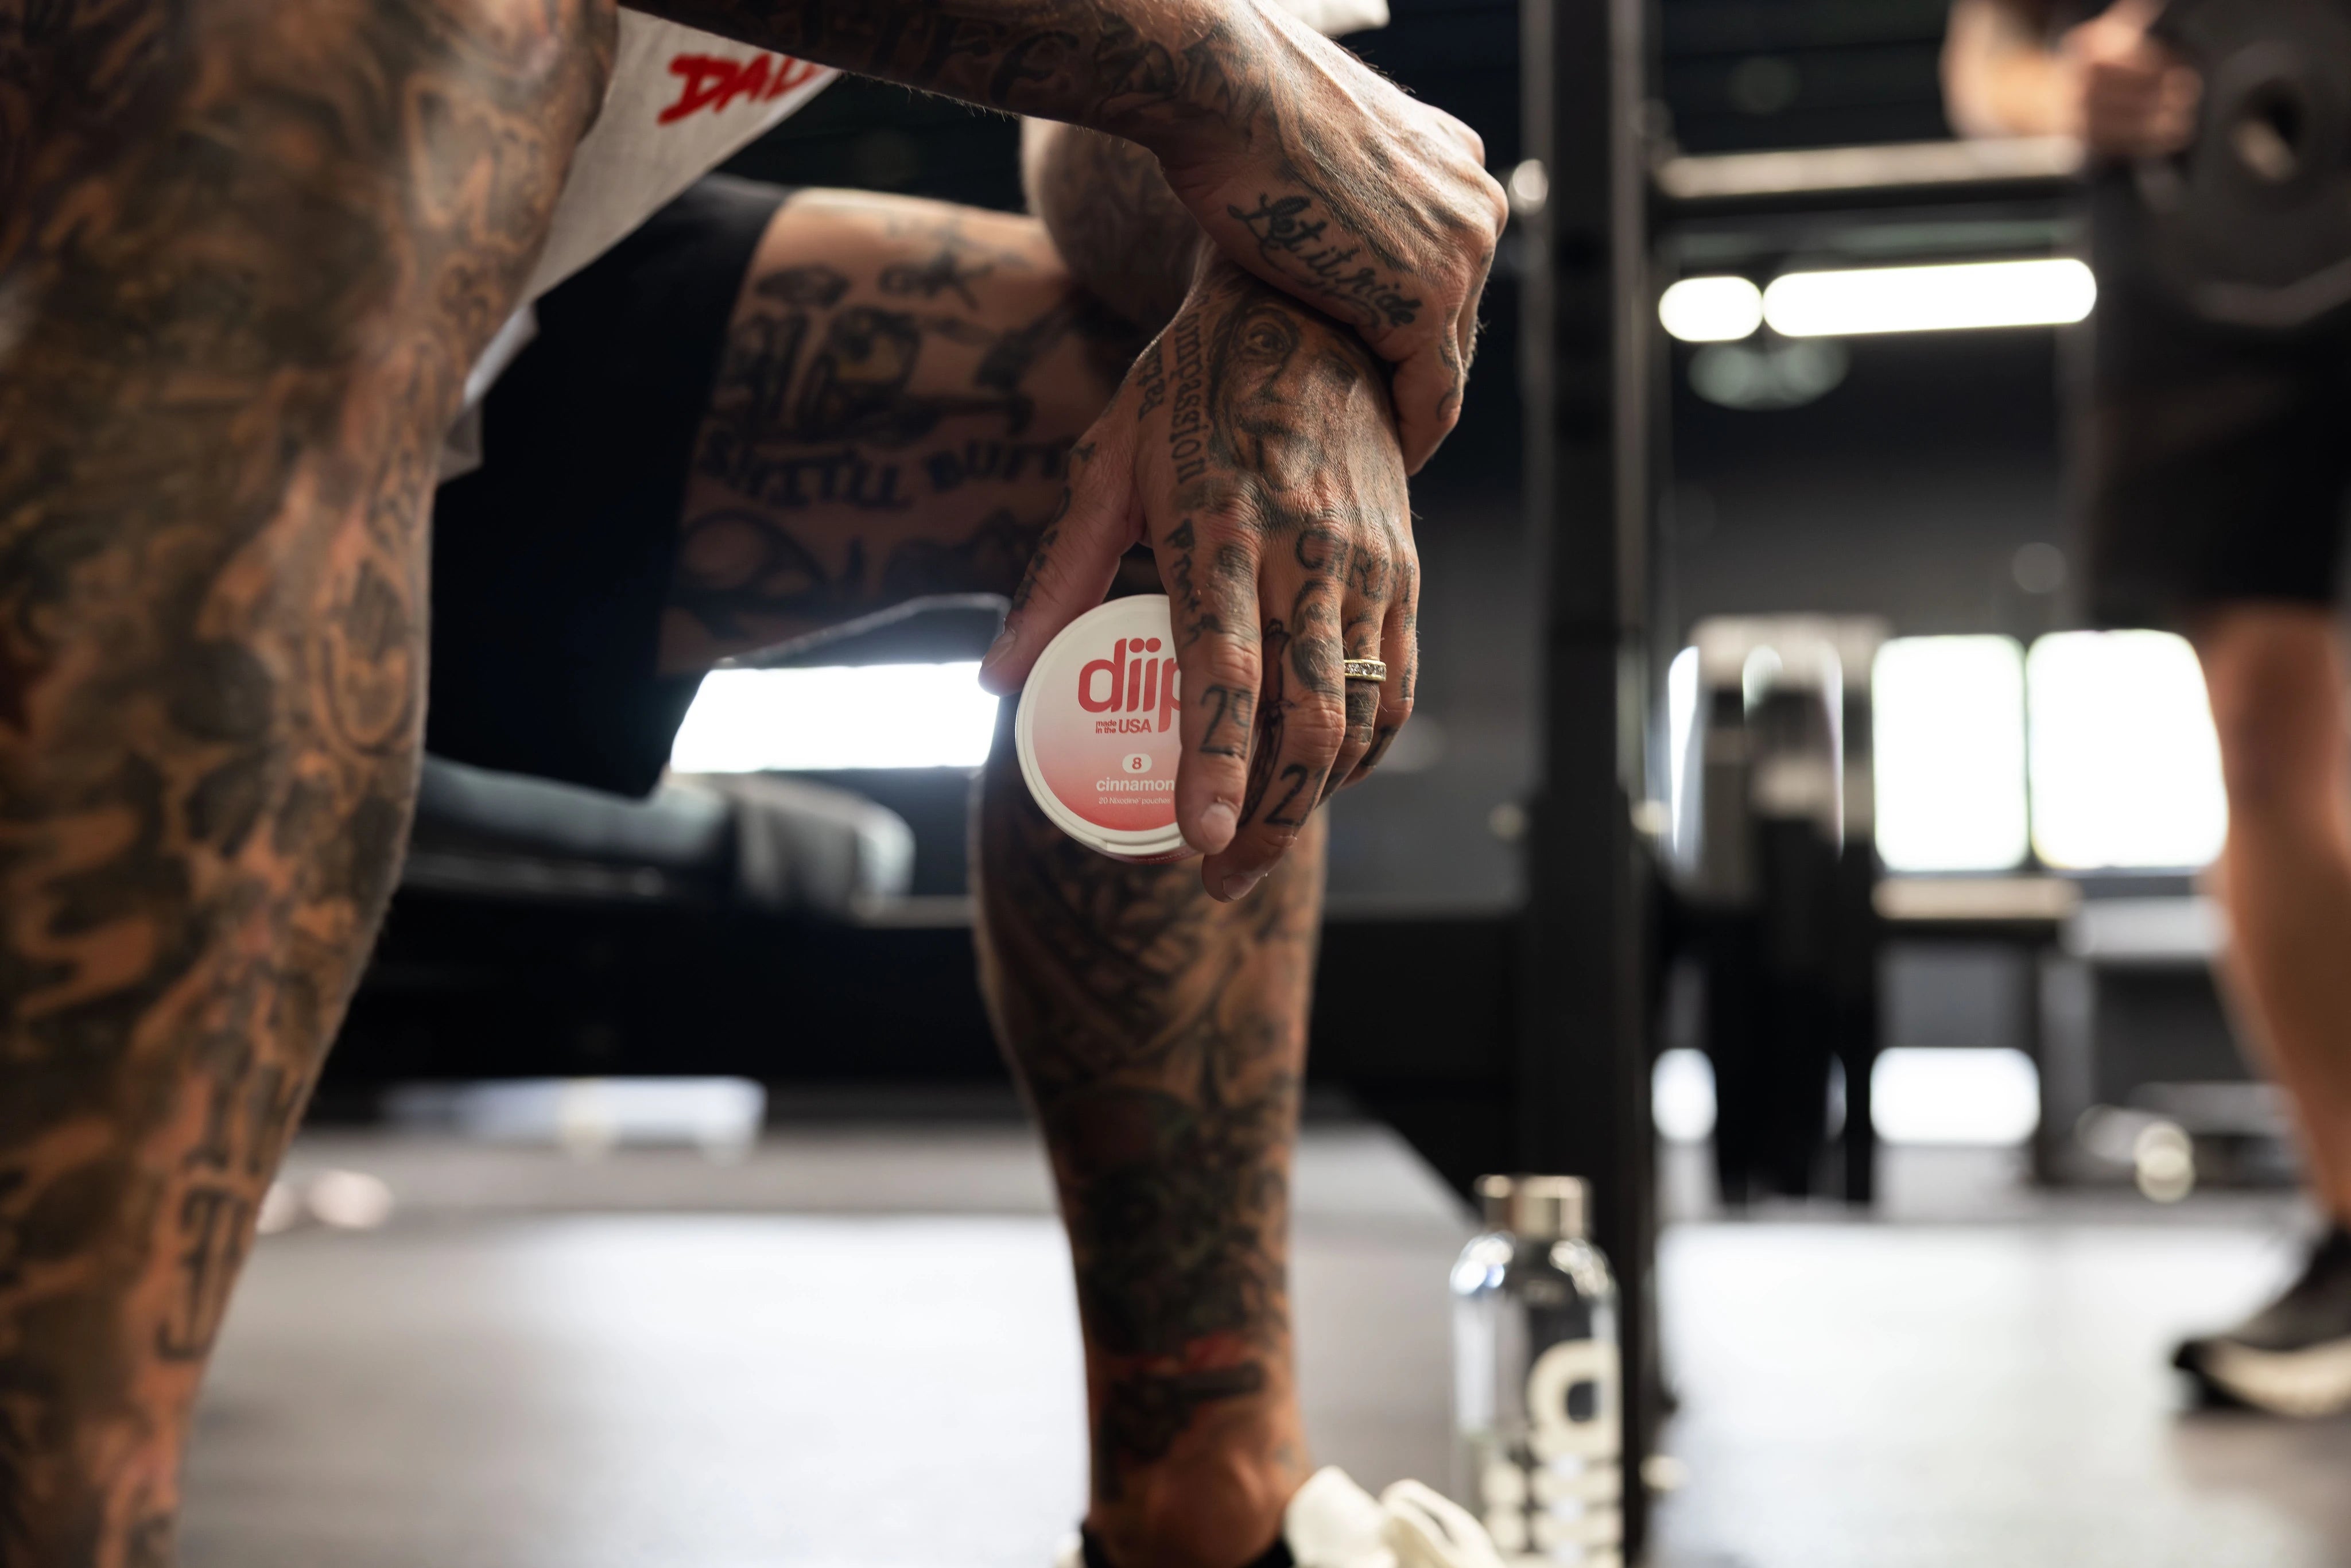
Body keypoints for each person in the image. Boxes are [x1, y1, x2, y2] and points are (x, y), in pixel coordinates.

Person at [0, 0, 1512, 1562]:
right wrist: (1232, 78)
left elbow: (1142, 186)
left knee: (1124, 411)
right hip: (161, 223)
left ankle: (1214, 1510)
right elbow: (1219, 81)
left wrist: (1278, 298)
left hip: (453, 301)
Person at [1946, 0, 2351, 1416]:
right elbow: (1983, 57)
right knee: (2253, 725)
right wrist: (2058, 83)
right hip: (2203, 247)